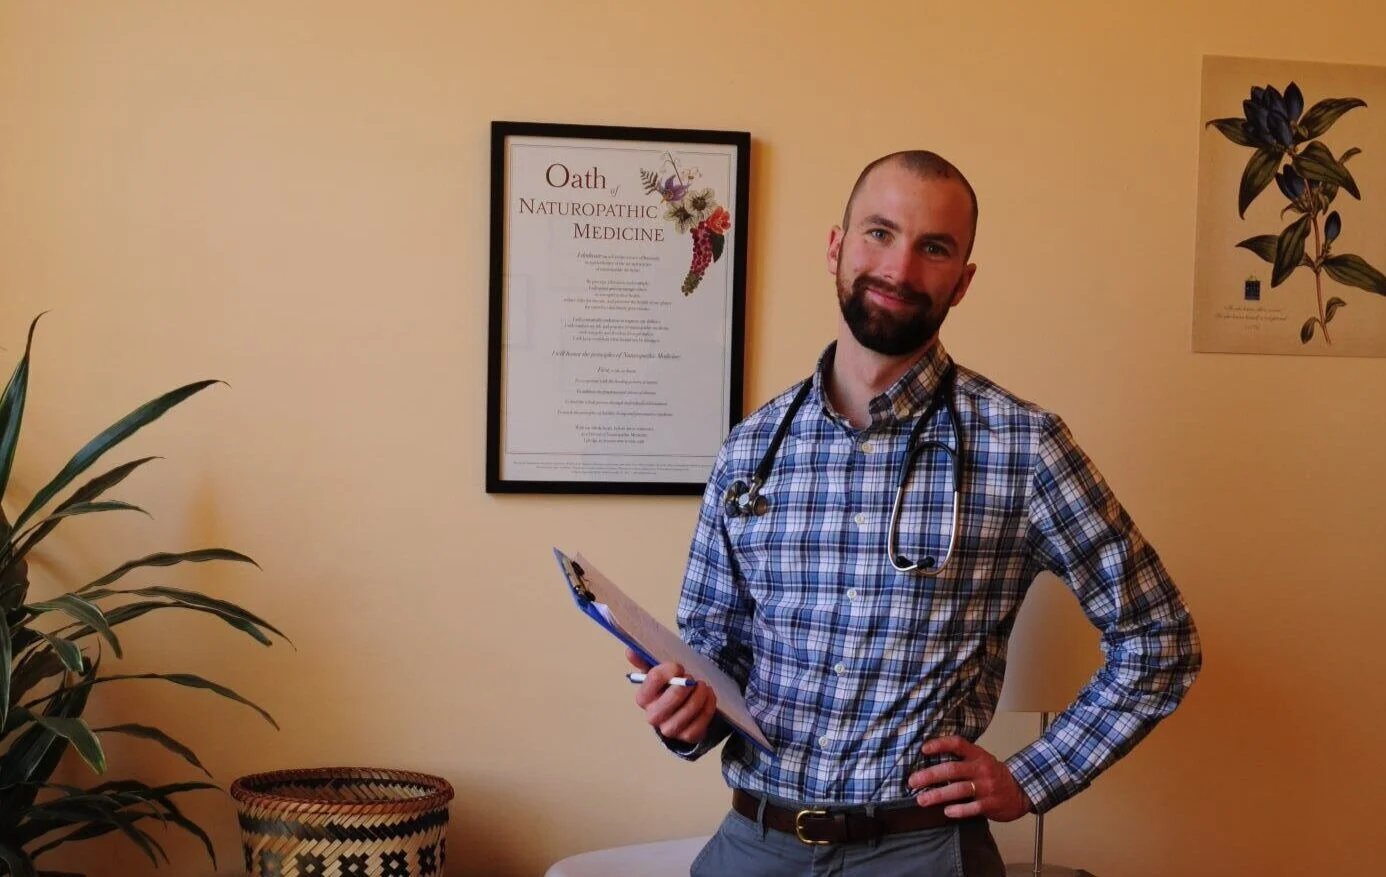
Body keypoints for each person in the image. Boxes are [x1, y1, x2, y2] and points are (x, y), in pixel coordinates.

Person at [627, 150, 1202, 876]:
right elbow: (715, 652)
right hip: (755, 841)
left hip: (922, 849)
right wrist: (685, 712)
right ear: (836, 248)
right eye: (879, 233)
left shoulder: (1023, 446)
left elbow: (1160, 639)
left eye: (934, 248)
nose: (900, 268)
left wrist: (1033, 776)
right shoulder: (751, 449)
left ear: (962, 281)